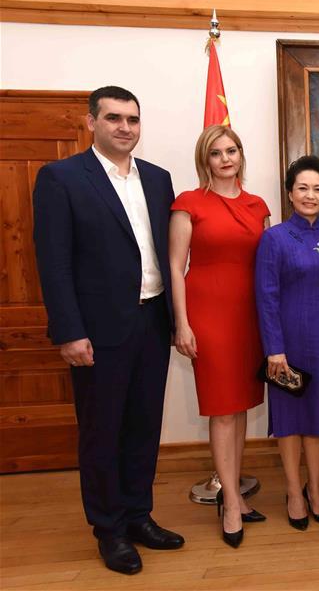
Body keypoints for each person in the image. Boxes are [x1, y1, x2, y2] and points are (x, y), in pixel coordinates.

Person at [32, 86, 184, 575]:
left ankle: (139, 517)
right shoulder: (61, 178)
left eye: (133, 119)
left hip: (151, 320)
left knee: (143, 428)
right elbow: (53, 263)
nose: (125, 127)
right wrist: (68, 332)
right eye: (114, 118)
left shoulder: (159, 180)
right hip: (97, 331)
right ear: (91, 122)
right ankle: (110, 530)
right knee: (103, 433)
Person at [169, 125, 270, 549]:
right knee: (222, 409)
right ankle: (229, 500)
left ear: (241, 155)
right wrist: (182, 324)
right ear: (204, 159)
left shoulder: (258, 204)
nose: (226, 158)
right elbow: (176, 266)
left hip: (250, 316)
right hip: (207, 314)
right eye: (216, 152)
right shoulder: (188, 204)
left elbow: (269, 262)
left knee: (242, 405)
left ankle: (237, 495)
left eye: (232, 150)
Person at [255, 156, 319, 532]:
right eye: (303, 188)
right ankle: (294, 492)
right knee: (290, 421)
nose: (310, 195)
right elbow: (266, 296)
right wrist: (274, 349)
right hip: (285, 347)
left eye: (318, 189)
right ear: (290, 192)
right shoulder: (273, 238)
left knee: (316, 421)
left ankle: (316, 490)